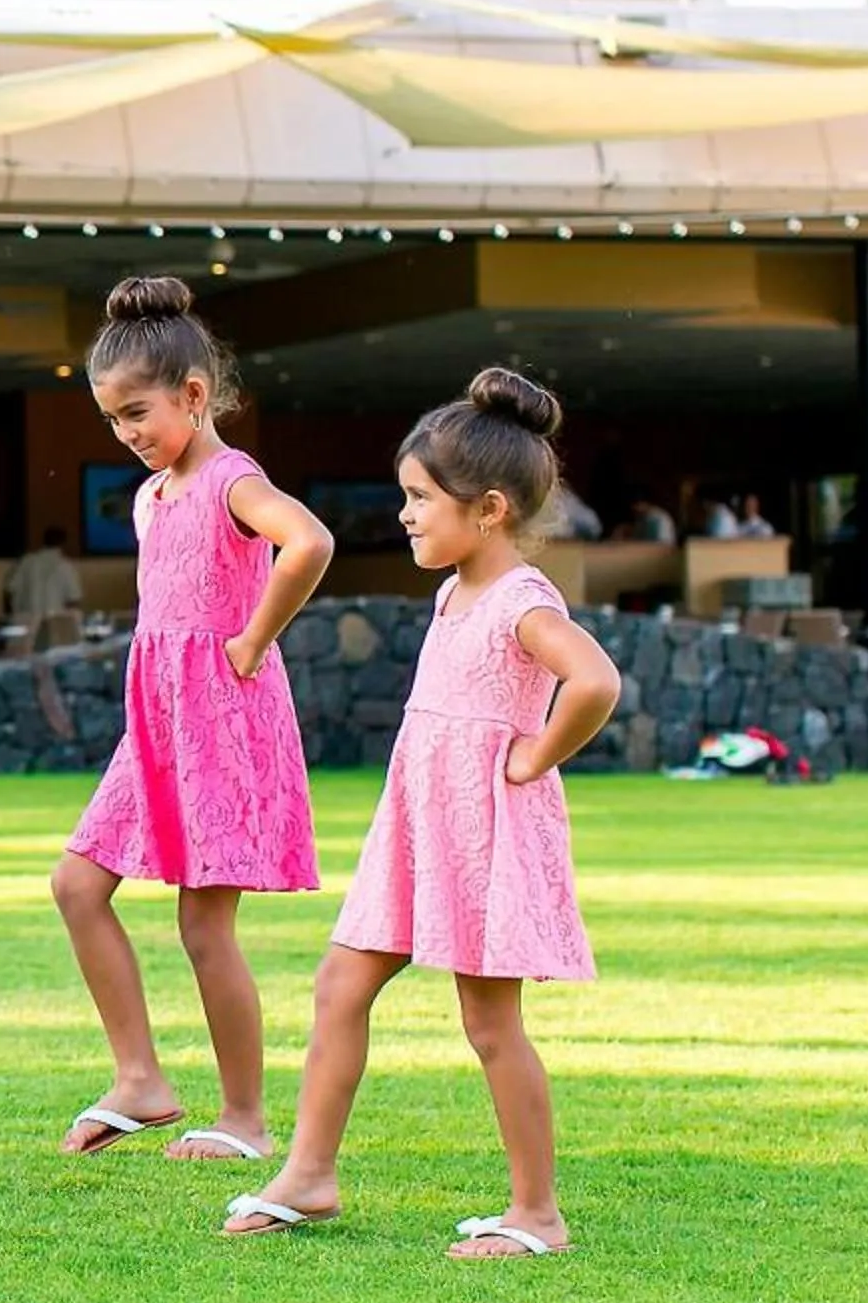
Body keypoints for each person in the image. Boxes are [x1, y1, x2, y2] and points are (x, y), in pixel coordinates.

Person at [223, 368, 620, 1258]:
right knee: (341, 982)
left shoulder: (522, 600)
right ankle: (309, 1176)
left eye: (418, 498)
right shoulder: (452, 592)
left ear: (486, 510)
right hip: (417, 827)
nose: (403, 514)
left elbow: (594, 680)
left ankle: (538, 1215)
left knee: (488, 1023)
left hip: (481, 834)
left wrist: (536, 751)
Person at [53, 277, 335, 1163]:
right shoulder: (151, 499)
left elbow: (311, 541)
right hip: (158, 725)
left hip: (219, 719)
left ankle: (246, 1120)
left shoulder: (228, 481)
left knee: (204, 926)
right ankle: (140, 1081)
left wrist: (253, 638)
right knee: (76, 885)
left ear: (194, 395)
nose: (128, 434)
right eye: (111, 420)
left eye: (138, 413)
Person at [8, 526, 84, 624]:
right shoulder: (65, 566)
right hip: (54, 624)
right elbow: (73, 600)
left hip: (26, 624)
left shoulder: (26, 562)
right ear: (64, 543)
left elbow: (10, 591)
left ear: (43, 540)